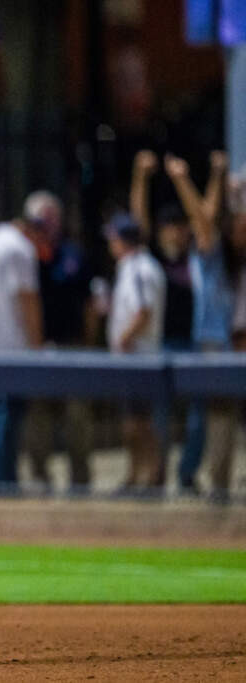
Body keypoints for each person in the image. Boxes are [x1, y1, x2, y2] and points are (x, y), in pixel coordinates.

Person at [165, 152, 239, 497]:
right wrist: (213, 176)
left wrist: (186, 179)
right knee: (207, 413)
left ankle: (201, 477)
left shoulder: (218, 252)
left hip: (218, 340)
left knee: (213, 414)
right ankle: (195, 475)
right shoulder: (208, 251)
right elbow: (204, 216)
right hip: (212, 340)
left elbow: (203, 216)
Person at [130, 150, 200, 490]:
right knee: (159, 418)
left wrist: (180, 179)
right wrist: (141, 176)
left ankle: (187, 474)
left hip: (195, 344)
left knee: (198, 417)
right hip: (161, 345)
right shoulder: (154, 259)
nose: (174, 234)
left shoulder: (198, 259)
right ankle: (157, 475)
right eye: (169, 228)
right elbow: (137, 223)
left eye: (179, 228)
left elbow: (203, 221)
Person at [0, 191, 47, 493]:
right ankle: (3, 483)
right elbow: (28, 301)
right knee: (5, 418)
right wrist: (37, 347)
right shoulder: (20, 248)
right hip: (10, 349)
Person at [22, 196, 95, 494]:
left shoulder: (73, 254)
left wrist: (89, 341)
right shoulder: (24, 255)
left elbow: (90, 303)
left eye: (52, 217)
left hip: (71, 345)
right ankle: (40, 479)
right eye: (41, 218)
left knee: (77, 416)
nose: (48, 224)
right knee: (37, 418)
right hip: (37, 347)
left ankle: (80, 481)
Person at [104, 211, 166, 492]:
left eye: (113, 238)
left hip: (139, 358)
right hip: (135, 358)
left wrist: (123, 339)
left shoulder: (140, 268)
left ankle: (150, 476)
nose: (110, 244)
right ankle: (137, 475)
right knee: (134, 422)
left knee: (139, 423)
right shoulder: (134, 266)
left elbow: (143, 312)